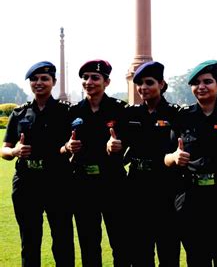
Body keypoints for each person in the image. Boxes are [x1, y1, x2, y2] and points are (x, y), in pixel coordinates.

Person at [164, 60, 217, 267]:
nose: (201, 86)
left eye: (207, 81)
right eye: (196, 82)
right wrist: (174, 157)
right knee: (197, 259)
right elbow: (165, 156)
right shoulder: (183, 117)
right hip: (193, 201)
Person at [1, 61, 75, 266]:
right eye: (34, 79)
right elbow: (4, 149)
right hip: (27, 182)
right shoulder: (19, 114)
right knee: (29, 241)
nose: (39, 82)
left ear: (54, 82)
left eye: (44, 78)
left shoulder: (66, 112)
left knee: (62, 240)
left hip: (58, 182)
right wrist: (14, 151)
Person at [62, 59, 129, 266]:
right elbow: (60, 147)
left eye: (95, 77)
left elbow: (133, 146)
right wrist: (67, 147)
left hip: (113, 183)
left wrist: (119, 147)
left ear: (106, 82)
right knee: (89, 244)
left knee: (121, 244)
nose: (89, 82)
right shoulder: (72, 112)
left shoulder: (120, 110)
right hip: (82, 184)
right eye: (85, 77)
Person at [124, 61, 181, 266]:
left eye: (149, 82)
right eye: (139, 83)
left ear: (162, 84)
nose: (143, 88)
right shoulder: (130, 114)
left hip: (165, 188)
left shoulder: (175, 114)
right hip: (137, 189)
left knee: (168, 251)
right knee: (140, 253)